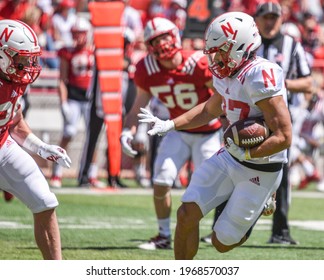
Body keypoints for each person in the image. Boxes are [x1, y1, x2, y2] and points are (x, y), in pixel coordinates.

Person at [138, 11, 292, 258]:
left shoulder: (260, 74)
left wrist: (249, 152)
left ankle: (263, 200)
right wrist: (171, 124)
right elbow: (210, 109)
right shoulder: (228, 73)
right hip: (230, 156)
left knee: (221, 243)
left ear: (239, 46)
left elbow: (284, 136)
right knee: (186, 214)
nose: (215, 57)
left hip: (261, 169)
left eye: (220, 50)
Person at [121, 17, 223, 250]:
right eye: (155, 40)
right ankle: (164, 235)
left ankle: (221, 229)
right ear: (148, 45)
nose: (162, 44)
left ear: (175, 36)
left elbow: (221, 99)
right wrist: (127, 130)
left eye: (165, 37)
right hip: (176, 129)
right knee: (161, 179)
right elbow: (138, 107)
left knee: (216, 187)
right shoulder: (146, 69)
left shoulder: (198, 63)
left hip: (208, 132)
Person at [0, 19, 71, 259]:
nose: (27, 65)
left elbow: (14, 120)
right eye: (21, 59)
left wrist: (40, 147)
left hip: (3, 147)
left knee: (44, 201)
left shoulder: (13, 79)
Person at [254, 1, 313, 245]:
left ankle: (280, 232)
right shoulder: (248, 44)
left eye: (274, 18)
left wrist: (280, 84)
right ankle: (218, 227)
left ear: (281, 20)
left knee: (282, 176)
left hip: (280, 119)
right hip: (249, 116)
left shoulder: (291, 44)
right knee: (231, 167)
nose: (270, 22)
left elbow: (308, 82)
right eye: (265, 17)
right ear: (257, 19)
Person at [50, 16, 104, 188]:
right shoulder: (68, 52)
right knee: (68, 133)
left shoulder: (95, 51)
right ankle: (56, 174)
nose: (77, 37)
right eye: (75, 33)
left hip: (91, 100)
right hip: (74, 98)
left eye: (80, 33)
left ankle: (91, 174)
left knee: (93, 137)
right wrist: (63, 102)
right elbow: (62, 79)